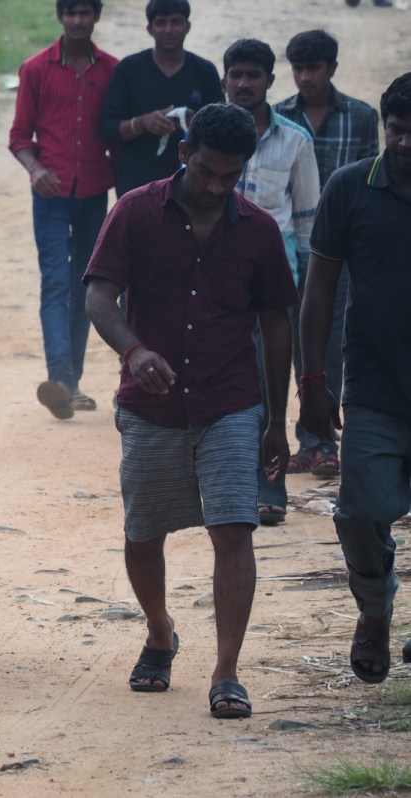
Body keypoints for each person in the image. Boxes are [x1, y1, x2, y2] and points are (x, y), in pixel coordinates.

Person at [84, 103, 298, 718]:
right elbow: (98, 295)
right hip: (150, 405)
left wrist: (277, 420)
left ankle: (226, 671)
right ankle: (160, 631)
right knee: (143, 533)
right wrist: (133, 350)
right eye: (206, 172)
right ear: (184, 154)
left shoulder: (258, 230)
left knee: (232, 529)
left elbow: (275, 324)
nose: (215, 187)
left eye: (230, 177)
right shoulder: (134, 211)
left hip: (230, 400)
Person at [298, 73, 411, 684]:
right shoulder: (350, 187)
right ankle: (374, 607)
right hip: (372, 385)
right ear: (384, 128)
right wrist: (312, 381)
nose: (406, 144)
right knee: (359, 512)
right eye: (397, 131)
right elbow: (318, 290)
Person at [222, 38, 320, 526]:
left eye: (253, 75)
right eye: (236, 75)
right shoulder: (208, 134)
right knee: (224, 384)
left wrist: (305, 291)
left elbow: (306, 222)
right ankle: (226, 485)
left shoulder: (295, 141)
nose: (244, 84)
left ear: (269, 81)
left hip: (272, 282)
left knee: (267, 383)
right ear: (224, 81)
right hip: (216, 281)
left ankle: (269, 485)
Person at [275, 30, 380, 478]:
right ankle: (292, 438)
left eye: (313, 68)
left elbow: (371, 181)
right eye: (298, 68)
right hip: (291, 246)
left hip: (338, 250)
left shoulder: (360, 116)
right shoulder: (278, 117)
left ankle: (320, 440)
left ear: (332, 68)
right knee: (287, 339)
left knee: (329, 341)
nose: (305, 77)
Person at [9, 0, 118, 420]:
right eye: (70, 12)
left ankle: (72, 383)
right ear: (60, 16)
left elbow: (114, 131)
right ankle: (60, 380)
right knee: (55, 282)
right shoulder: (36, 69)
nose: (77, 20)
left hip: (94, 191)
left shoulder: (112, 70)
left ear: (96, 16)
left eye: (84, 12)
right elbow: (20, 136)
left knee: (85, 285)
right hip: (50, 194)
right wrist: (36, 169)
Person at [100, 0, 224, 198]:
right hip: (135, 183)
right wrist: (142, 123)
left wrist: (195, 123)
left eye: (176, 22)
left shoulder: (204, 71)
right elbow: (107, 129)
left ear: (187, 26)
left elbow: (221, 129)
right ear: (149, 29)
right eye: (160, 23)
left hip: (189, 185)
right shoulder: (128, 69)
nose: (168, 30)